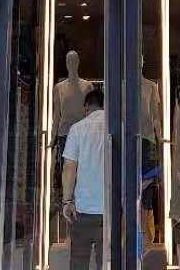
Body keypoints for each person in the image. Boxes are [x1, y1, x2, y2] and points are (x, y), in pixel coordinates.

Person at [61, 88, 107, 270]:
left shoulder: (77, 129)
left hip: (83, 209)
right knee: (107, 263)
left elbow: (69, 167)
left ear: (86, 106)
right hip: (109, 210)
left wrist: (67, 201)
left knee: (79, 264)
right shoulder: (117, 127)